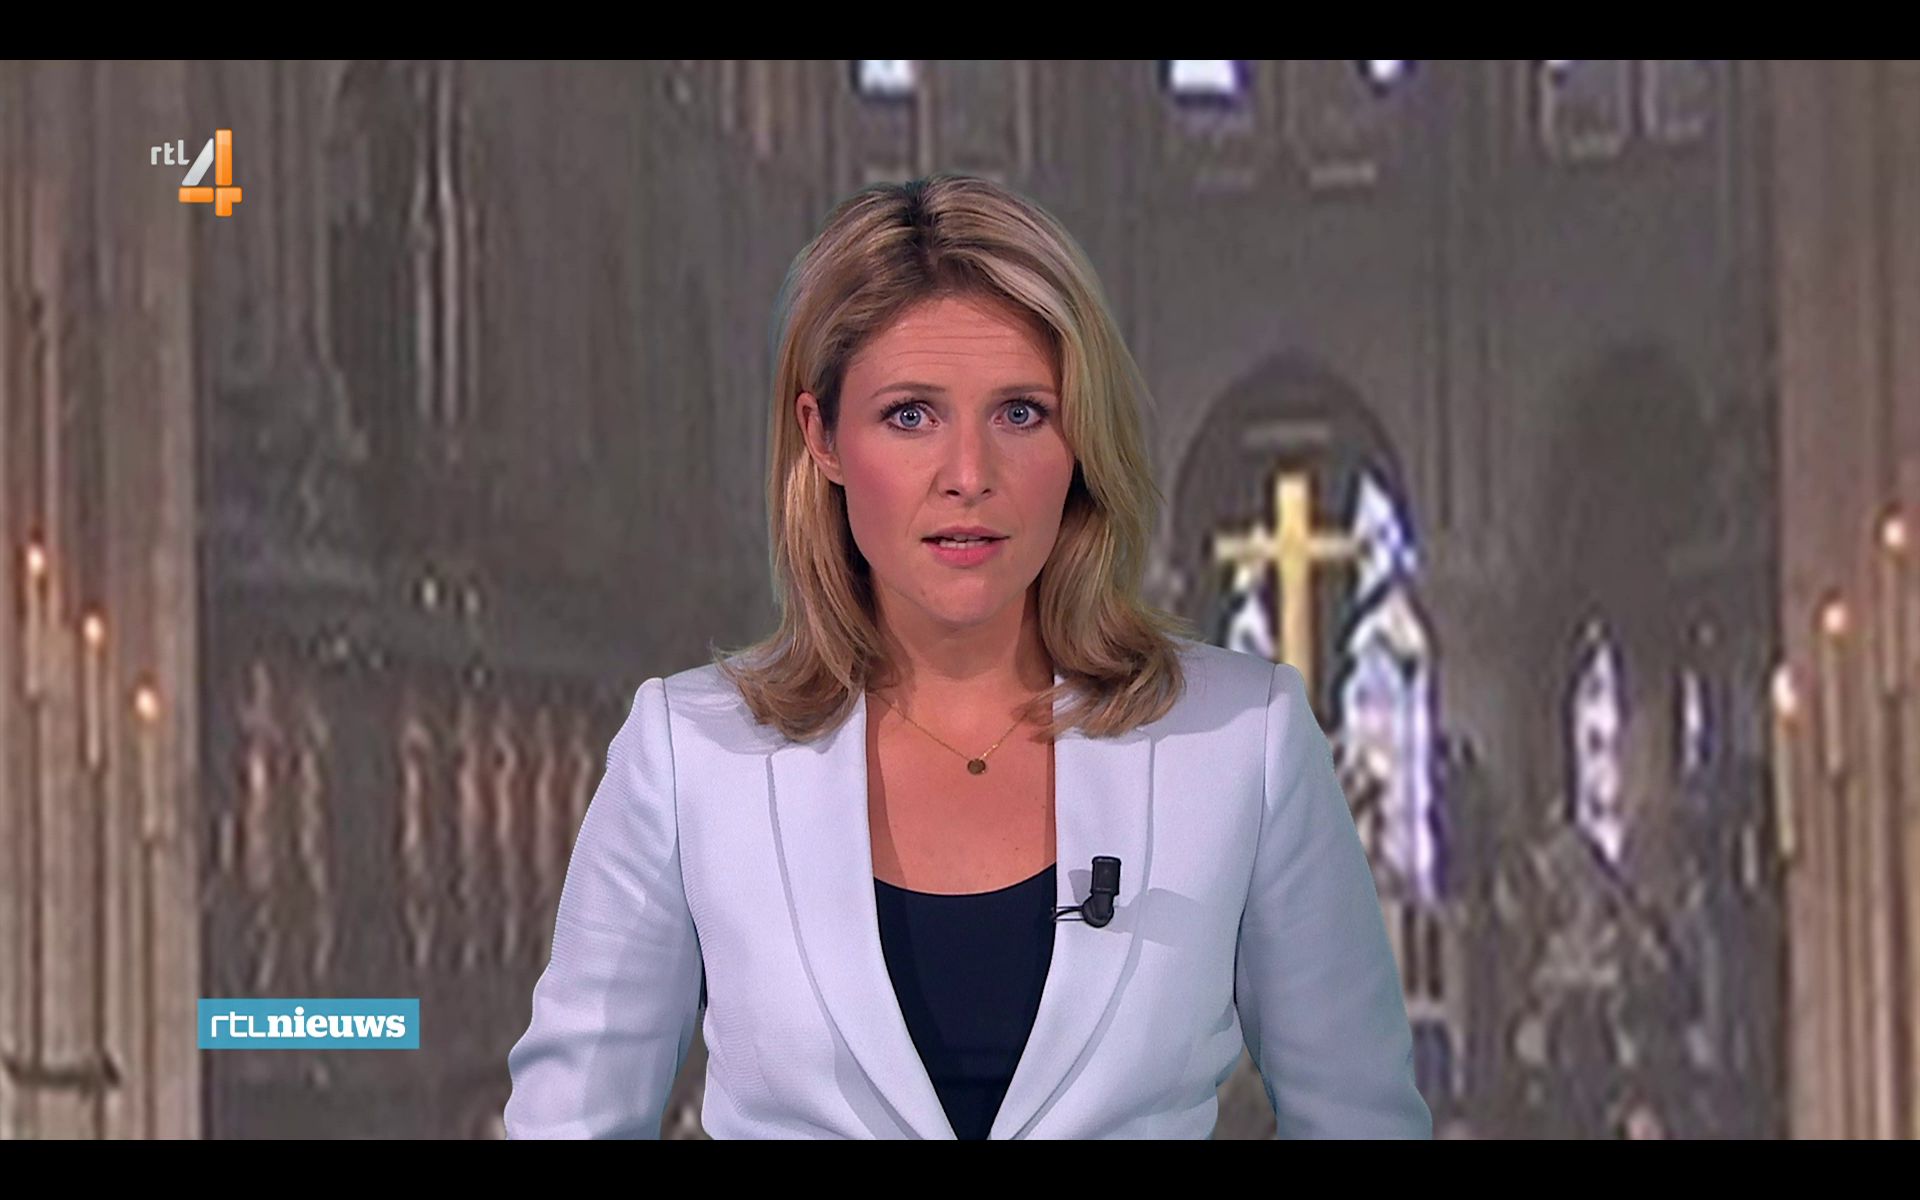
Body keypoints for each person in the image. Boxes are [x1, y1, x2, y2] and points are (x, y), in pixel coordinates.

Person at [502, 173, 1429, 1140]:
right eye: (911, 415)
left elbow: (1361, 1119)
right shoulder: (689, 759)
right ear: (823, 438)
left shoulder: (1244, 743)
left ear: (1081, 440)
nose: (970, 476)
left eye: (1020, 413)